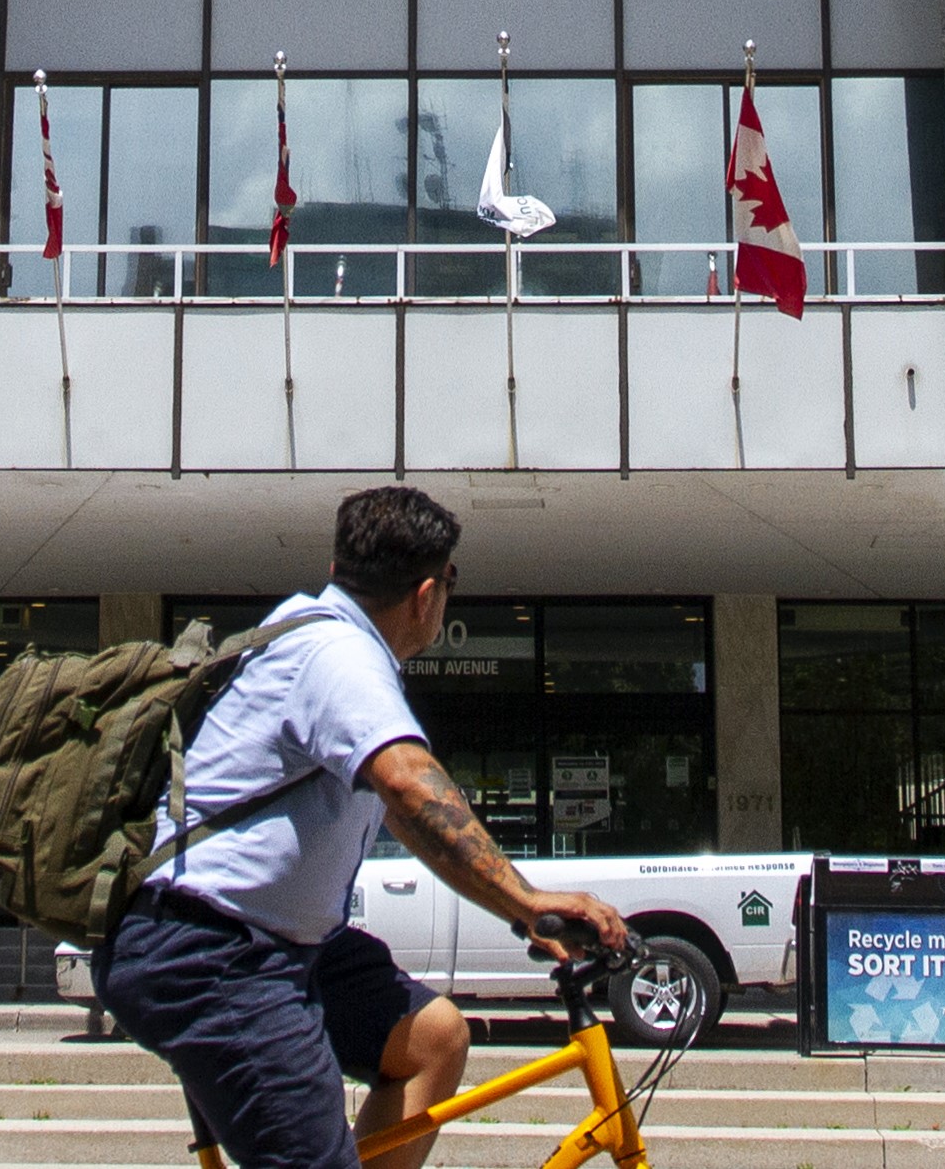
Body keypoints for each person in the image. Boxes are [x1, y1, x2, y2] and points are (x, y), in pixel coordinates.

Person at [99, 486, 629, 1169]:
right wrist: (529, 900)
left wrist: (518, 914)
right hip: (211, 952)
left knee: (432, 1038)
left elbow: (405, 815)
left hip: (279, 944)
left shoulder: (308, 632)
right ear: (428, 593)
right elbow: (411, 785)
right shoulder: (338, 656)